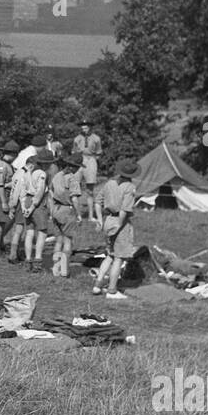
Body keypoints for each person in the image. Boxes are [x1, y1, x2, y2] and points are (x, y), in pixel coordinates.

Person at [92, 159, 139, 298]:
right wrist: (119, 223)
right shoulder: (130, 187)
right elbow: (125, 209)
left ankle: (97, 285)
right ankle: (112, 290)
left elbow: (97, 201)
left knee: (109, 255)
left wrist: (100, 220)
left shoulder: (109, 183)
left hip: (108, 220)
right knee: (119, 258)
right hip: (120, 222)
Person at [11, 149, 52, 272]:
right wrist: (33, 207)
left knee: (29, 232)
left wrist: (24, 206)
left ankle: (28, 260)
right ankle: (38, 261)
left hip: (26, 201)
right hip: (37, 204)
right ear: (45, 163)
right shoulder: (42, 174)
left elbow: (22, 190)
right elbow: (39, 192)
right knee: (42, 232)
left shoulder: (27, 172)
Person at [48, 154, 83, 277]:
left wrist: (51, 211)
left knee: (58, 241)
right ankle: (64, 270)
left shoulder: (57, 175)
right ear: (75, 167)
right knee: (68, 241)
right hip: (67, 210)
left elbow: (51, 192)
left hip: (56, 209)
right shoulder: (72, 179)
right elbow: (74, 199)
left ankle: (55, 268)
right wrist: (79, 214)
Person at [0, 140, 19, 255]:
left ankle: (1, 243)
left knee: (8, 220)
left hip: (5, 192)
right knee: (2, 221)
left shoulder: (8, 165)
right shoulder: (2, 166)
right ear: (13, 153)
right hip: (1, 193)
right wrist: (3, 202)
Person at [72, 120, 103, 222]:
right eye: (82, 128)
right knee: (75, 188)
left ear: (90, 127)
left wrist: (92, 161)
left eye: (85, 127)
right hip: (79, 160)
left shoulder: (96, 138)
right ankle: (77, 215)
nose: (83, 129)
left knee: (90, 190)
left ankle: (91, 216)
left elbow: (99, 152)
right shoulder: (77, 139)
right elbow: (73, 151)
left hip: (91, 160)